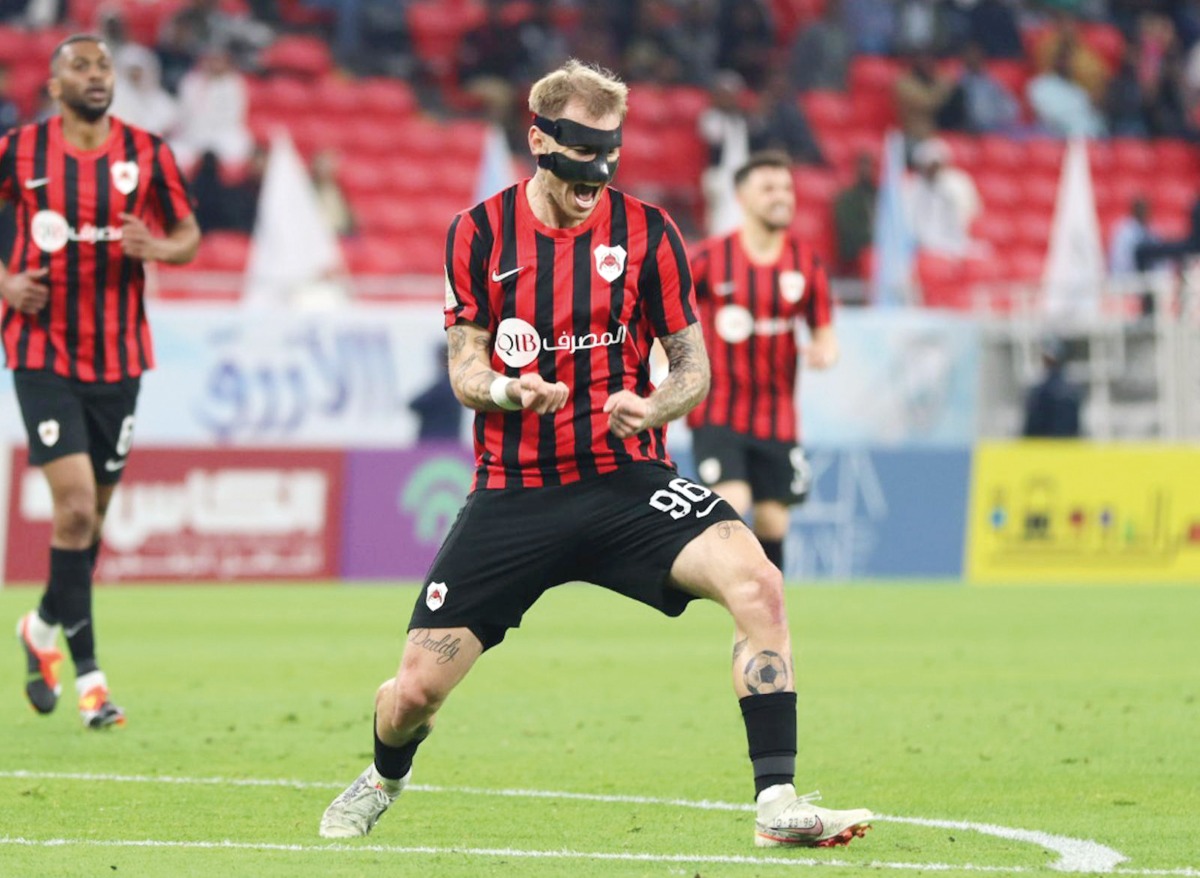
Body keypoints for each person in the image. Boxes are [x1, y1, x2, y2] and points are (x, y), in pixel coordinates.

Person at [318, 59, 872, 849]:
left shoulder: (648, 232)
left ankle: (777, 802)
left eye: (610, 150)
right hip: (516, 492)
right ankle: (382, 777)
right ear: (540, 139)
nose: (596, 173)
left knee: (760, 583)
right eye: (581, 150)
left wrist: (654, 404)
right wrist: (511, 392)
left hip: (628, 480)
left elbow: (693, 367)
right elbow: (464, 366)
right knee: (413, 693)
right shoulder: (478, 232)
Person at [0, 34, 200, 728]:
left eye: (103, 65)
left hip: (119, 357)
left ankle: (41, 626)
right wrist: (6, 279)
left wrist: (160, 249)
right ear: (54, 85)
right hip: (40, 347)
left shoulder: (146, 154)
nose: (94, 75)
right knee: (77, 508)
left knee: (91, 528)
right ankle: (91, 682)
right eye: (79, 67)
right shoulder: (19, 151)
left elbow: (189, 234)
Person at [686, 150, 837, 576]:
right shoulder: (710, 257)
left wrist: (826, 350)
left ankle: (767, 615)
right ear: (742, 196)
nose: (781, 197)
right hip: (718, 409)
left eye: (787, 188)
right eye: (769, 188)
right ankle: (735, 599)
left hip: (777, 416)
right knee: (732, 505)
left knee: (773, 521)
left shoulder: (806, 264)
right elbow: (666, 311)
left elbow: (824, 330)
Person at [903, 136, 982, 259]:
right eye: (928, 165)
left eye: (935, 164)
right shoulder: (912, 186)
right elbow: (908, 220)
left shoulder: (959, 182)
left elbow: (972, 212)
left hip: (956, 240)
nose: (932, 169)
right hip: (922, 245)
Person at [1022, 337, 1083, 438]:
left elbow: (1031, 429)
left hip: (1044, 449)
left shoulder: (1039, 393)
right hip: (1069, 450)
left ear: (1046, 360)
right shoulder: (1074, 391)